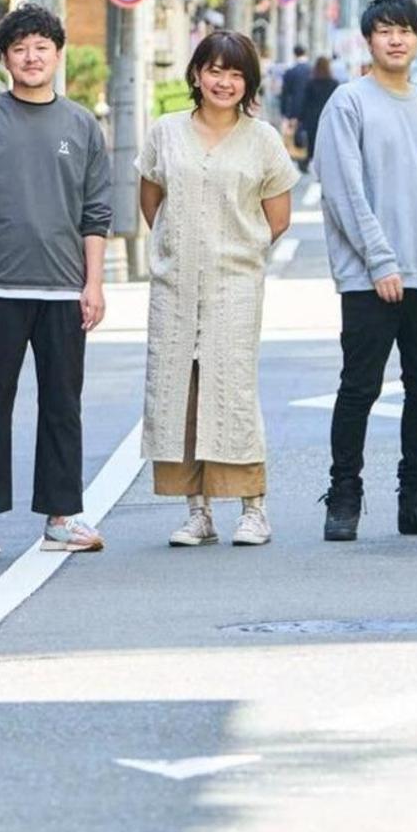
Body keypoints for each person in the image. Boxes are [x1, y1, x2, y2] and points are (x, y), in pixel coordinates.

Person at [0, 3, 112, 560]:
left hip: (63, 289)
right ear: (6, 58)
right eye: (20, 48)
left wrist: (94, 284)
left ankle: (62, 517)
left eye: (41, 47)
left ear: (58, 55)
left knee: (63, 404)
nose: (31, 57)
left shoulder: (81, 125)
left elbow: (96, 212)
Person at [314, 0, 417, 541]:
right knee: (359, 388)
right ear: (368, 40)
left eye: (405, 30)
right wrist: (380, 261)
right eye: (385, 31)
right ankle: (344, 495)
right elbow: (343, 191)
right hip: (368, 278)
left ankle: (416, 499)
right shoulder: (348, 102)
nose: (396, 39)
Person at [139, 32, 299, 548]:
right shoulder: (165, 133)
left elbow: (278, 218)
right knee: (179, 394)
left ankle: (254, 509)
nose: (224, 82)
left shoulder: (263, 139)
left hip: (235, 285)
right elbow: (152, 202)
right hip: (175, 285)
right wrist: (180, 247)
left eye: (235, 73)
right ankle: (198, 512)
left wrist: (235, 252)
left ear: (248, 82)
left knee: (232, 391)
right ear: (196, 74)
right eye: (214, 70)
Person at [298, 57, 341, 164]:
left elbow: (305, 102)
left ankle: (310, 162)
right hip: (328, 118)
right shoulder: (334, 84)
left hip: (312, 118)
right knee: (327, 144)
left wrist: (300, 118)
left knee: (312, 143)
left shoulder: (311, 83)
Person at [278, 45, 311, 149]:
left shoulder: (290, 72)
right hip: (310, 109)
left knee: (294, 139)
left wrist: (284, 113)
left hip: (293, 109)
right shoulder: (313, 70)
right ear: (305, 53)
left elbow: (285, 94)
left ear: (294, 54)